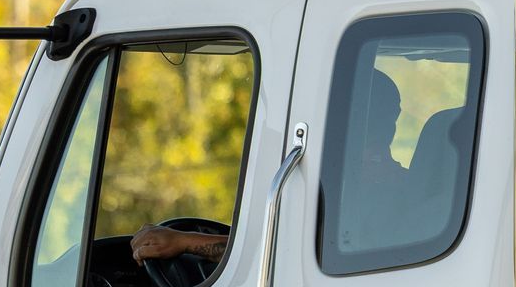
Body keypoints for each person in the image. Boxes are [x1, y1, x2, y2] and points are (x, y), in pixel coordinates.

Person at [129, 69, 408, 268]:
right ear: (392, 122)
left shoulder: (371, 197)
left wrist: (183, 242)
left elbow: (281, 254)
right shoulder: (400, 185)